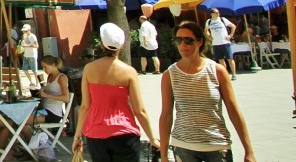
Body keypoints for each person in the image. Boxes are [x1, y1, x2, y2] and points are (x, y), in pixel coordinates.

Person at [159, 20, 255, 162]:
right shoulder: (170, 74)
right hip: (184, 145)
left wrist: (249, 151)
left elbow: (233, 111)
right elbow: (166, 115)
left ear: (200, 42)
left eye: (188, 40)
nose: (183, 45)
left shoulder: (217, 71)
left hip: (216, 145)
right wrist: (163, 154)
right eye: (178, 40)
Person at [74, 22, 159, 162]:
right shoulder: (129, 72)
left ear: (102, 44)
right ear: (122, 46)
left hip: (96, 133)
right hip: (125, 132)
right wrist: (152, 138)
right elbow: (140, 110)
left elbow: (85, 106)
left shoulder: (89, 69)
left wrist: (77, 137)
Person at [29, 55, 71, 130]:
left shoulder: (61, 78)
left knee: (21, 121)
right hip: (45, 110)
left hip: (53, 113)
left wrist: (47, 95)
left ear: (53, 65)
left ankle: (33, 140)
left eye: (45, 67)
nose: (44, 69)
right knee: (20, 121)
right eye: (42, 67)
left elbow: (66, 98)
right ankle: (34, 141)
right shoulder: (50, 77)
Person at [204, 8, 238, 81]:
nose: (218, 14)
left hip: (225, 42)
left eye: (218, 12)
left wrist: (231, 35)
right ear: (211, 14)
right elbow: (206, 30)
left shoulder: (222, 19)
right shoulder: (209, 21)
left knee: (229, 58)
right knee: (220, 59)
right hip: (216, 43)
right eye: (216, 13)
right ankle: (225, 74)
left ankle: (234, 74)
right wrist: (209, 36)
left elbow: (233, 26)